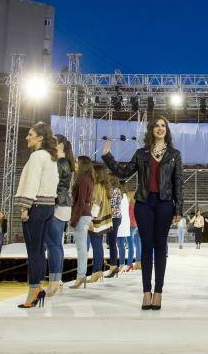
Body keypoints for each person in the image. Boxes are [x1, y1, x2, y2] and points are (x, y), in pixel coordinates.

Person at [102, 117, 184, 311]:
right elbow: (124, 173)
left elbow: (178, 182)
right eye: (156, 125)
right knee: (146, 247)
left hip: (164, 204)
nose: (160, 128)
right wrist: (108, 157)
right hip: (144, 204)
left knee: (160, 246)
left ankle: (159, 292)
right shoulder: (141, 154)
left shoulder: (174, 154)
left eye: (163, 125)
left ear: (167, 130)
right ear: (151, 130)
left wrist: (179, 209)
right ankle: (146, 292)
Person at [14, 121, 59, 308]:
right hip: (48, 207)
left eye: (30, 134)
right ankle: (37, 287)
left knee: (34, 251)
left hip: (36, 206)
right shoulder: (50, 157)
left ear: (40, 137)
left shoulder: (37, 157)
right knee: (40, 250)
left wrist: (25, 207)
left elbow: (32, 182)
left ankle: (34, 289)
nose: (27, 137)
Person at [44, 134, 75, 297]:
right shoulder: (66, 162)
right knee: (57, 244)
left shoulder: (60, 162)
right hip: (63, 205)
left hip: (57, 204)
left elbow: (53, 185)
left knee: (52, 244)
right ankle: (58, 279)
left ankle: (54, 281)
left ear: (61, 145)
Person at [69, 156, 97, 289]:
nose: (74, 164)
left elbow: (80, 202)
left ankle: (81, 276)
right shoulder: (89, 179)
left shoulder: (83, 179)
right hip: (86, 214)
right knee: (82, 247)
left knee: (81, 248)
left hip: (82, 214)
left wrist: (73, 220)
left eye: (76, 162)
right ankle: (81, 276)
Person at [116, 189, 132, 270]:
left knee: (120, 244)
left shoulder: (120, 196)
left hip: (120, 222)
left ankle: (121, 263)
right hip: (124, 221)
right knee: (121, 244)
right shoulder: (126, 196)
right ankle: (122, 263)